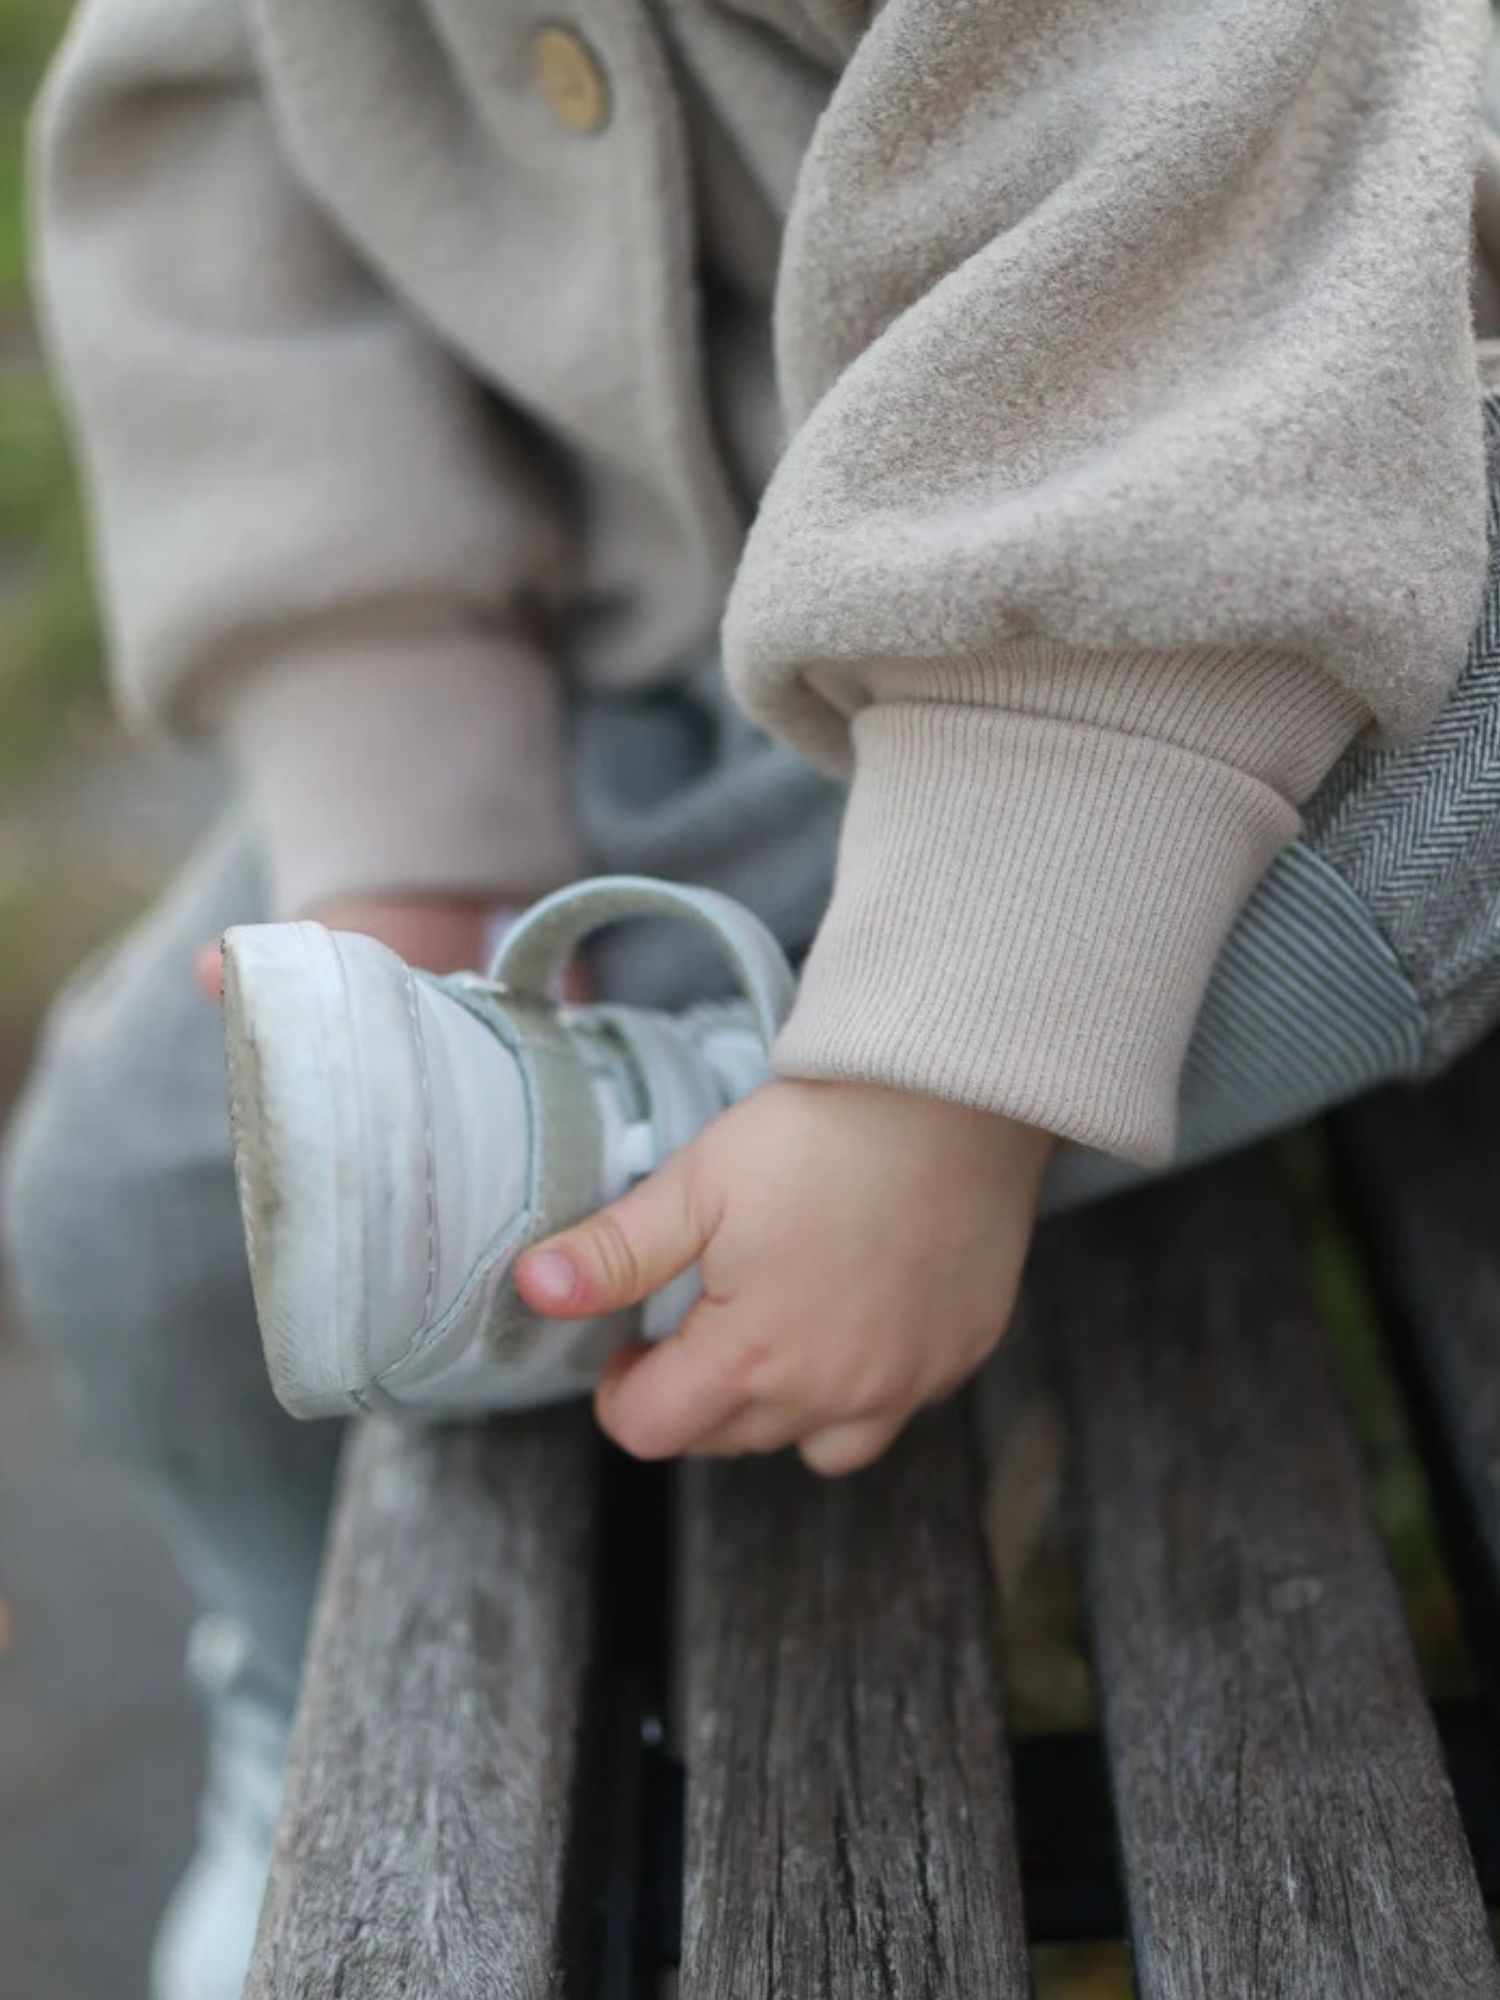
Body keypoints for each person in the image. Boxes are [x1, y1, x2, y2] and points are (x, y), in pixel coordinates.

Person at [6, 2, 1500, 1993]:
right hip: (693, 656)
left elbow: (1212, 188)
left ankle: (740, 1114)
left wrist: (941, 1077)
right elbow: (235, 171)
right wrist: (408, 817)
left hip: (1248, 549)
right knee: (127, 1194)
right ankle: (291, 1689)